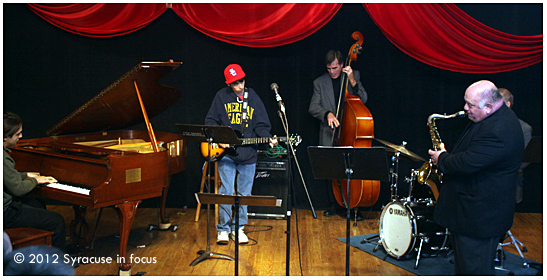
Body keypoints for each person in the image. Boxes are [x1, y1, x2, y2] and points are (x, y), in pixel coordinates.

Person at [428, 80, 524, 275]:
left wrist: (442, 158)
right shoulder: (494, 118)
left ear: (489, 106)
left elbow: (467, 163)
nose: (465, 108)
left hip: (479, 218)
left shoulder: (498, 130)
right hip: (473, 215)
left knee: (474, 271)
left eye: (470, 105)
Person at [205, 64, 277, 245]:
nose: (239, 86)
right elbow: (210, 121)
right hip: (227, 155)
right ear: (228, 83)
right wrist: (219, 139)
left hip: (248, 154)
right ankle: (223, 229)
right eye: (235, 83)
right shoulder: (221, 97)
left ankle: (238, 228)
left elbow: (261, 125)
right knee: (227, 191)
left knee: (244, 193)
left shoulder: (253, 97)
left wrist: (268, 138)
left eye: (241, 81)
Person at [308, 50, 368, 220]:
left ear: (342, 65)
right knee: (330, 169)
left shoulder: (353, 75)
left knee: (353, 168)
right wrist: (327, 114)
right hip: (330, 133)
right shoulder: (319, 82)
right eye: (328, 69)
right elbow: (313, 107)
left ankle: (354, 206)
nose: (332, 72)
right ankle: (334, 204)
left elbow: (363, 99)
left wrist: (352, 80)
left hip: (350, 132)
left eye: (334, 68)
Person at [3, 112, 66, 251]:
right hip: (5, 213)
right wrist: (36, 180)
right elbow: (17, 189)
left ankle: (39, 247)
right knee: (57, 221)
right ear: (5, 137)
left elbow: (8, 176)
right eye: (17, 134)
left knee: (37, 204)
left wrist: (25, 175)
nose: (21, 136)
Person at [499, 88, 532, 204]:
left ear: (507, 104)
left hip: (511, 180)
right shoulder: (483, 125)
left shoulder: (524, 128)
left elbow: (526, 157)